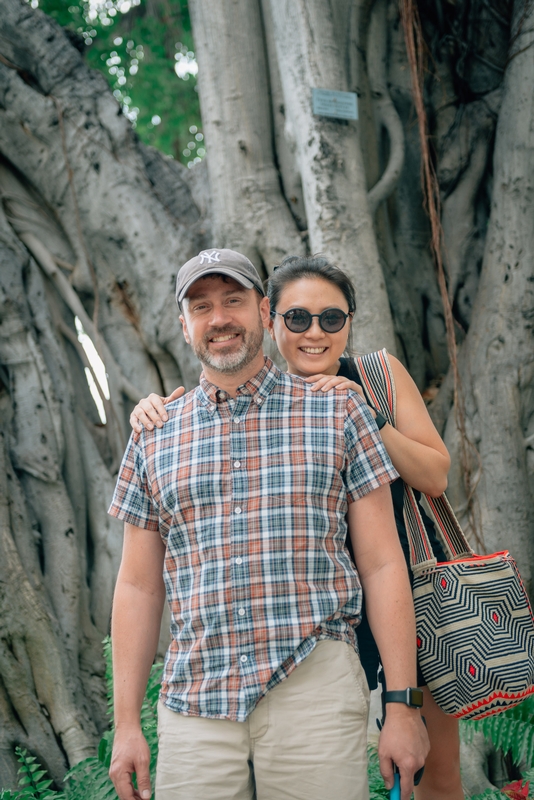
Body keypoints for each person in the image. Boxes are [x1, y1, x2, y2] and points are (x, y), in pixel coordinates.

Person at [130, 254, 463, 800]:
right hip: (305, 617)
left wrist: (367, 410)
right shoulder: (182, 423)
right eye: (298, 319)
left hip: (403, 593)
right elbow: (140, 578)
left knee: (432, 774)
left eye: (331, 319)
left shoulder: (364, 387)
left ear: (349, 322)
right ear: (273, 320)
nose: (315, 332)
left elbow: (435, 477)